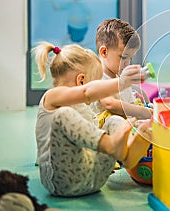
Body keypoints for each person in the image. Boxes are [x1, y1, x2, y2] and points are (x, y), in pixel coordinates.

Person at [32, 42, 151, 197]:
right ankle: (112, 146)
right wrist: (122, 83)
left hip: (94, 179)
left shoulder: (82, 109)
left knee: (112, 121)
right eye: (96, 83)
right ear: (81, 81)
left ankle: (128, 155)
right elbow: (88, 93)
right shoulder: (52, 97)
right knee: (63, 115)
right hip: (61, 183)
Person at [91, 18, 153, 128]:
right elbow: (110, 104)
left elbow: (131, 104)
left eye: (130, 58)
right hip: (105, 131)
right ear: (104, 52)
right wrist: (144, 112)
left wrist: (148, 110)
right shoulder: (96, 76)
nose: (127, 63)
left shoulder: (121, 77)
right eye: (123, 57)